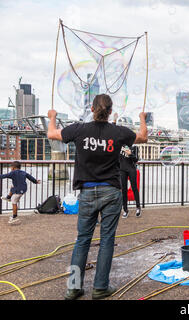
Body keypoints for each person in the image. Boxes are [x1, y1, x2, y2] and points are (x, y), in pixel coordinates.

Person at [47, 94, 148, 300]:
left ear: (92, 110)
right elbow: (143, 137)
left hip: (87, 191)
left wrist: (52, 116)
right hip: (111, 191)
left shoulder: (79, 129)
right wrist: (142, 117)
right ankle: (100, 287)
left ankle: (74, 287)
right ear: (110, 112)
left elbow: (51, 134)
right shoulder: (119, 132)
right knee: (107, 240)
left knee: (82, 240)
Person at [1, 161, 40, 225]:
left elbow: (4, 176)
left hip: (18, 191)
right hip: (23, 189)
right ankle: (8, 197)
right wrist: (35, 181)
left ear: (13, 168)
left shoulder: (12, 173)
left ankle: (14, 217)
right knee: (12, 186)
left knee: (14, 202)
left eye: (11, 167)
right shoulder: (23, 172)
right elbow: (30, 177)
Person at [118, 144, 141, 219]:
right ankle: (125, 210)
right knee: (123, 190)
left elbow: (136, 159)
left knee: (134, 188)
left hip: (131, 169)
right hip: (122, 170)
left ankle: (138, 207)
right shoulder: (120, 146)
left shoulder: (134, 147)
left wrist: (130, 154)